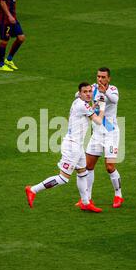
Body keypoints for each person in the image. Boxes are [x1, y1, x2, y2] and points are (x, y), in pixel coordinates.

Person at [25, 82, 106, 213]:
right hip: (71, 147)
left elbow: (88, 111)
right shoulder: (82, 105)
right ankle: (33, 189)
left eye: (90, 91)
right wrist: (102, 106)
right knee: (63, 178)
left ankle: (85, 203)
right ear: (80, 93)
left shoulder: (78, 102)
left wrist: (94, 104)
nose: (88, 94)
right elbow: (98, 120)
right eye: (85, 92)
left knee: (82, 173)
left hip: (77, 146)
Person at [75, 67, 125, 208]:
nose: (100, 79)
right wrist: (81, 95)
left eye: (103, 77)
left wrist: (105, 92)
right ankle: (87, 199)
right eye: (98, 77)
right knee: (88, 166)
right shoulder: (93, 88)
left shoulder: (113, 90)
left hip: (111, 133)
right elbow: (79, 95)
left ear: (109, 78)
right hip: (97, 133)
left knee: (109, 167)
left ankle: (118, 195)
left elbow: (114, 100)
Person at [0, 0, 25, 72]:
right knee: (4, 41)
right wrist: (9, 15)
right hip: (5, 19)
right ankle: (1, 65)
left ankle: (9, 60)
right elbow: (2, 2)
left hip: (13, 17)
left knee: (21, 38)